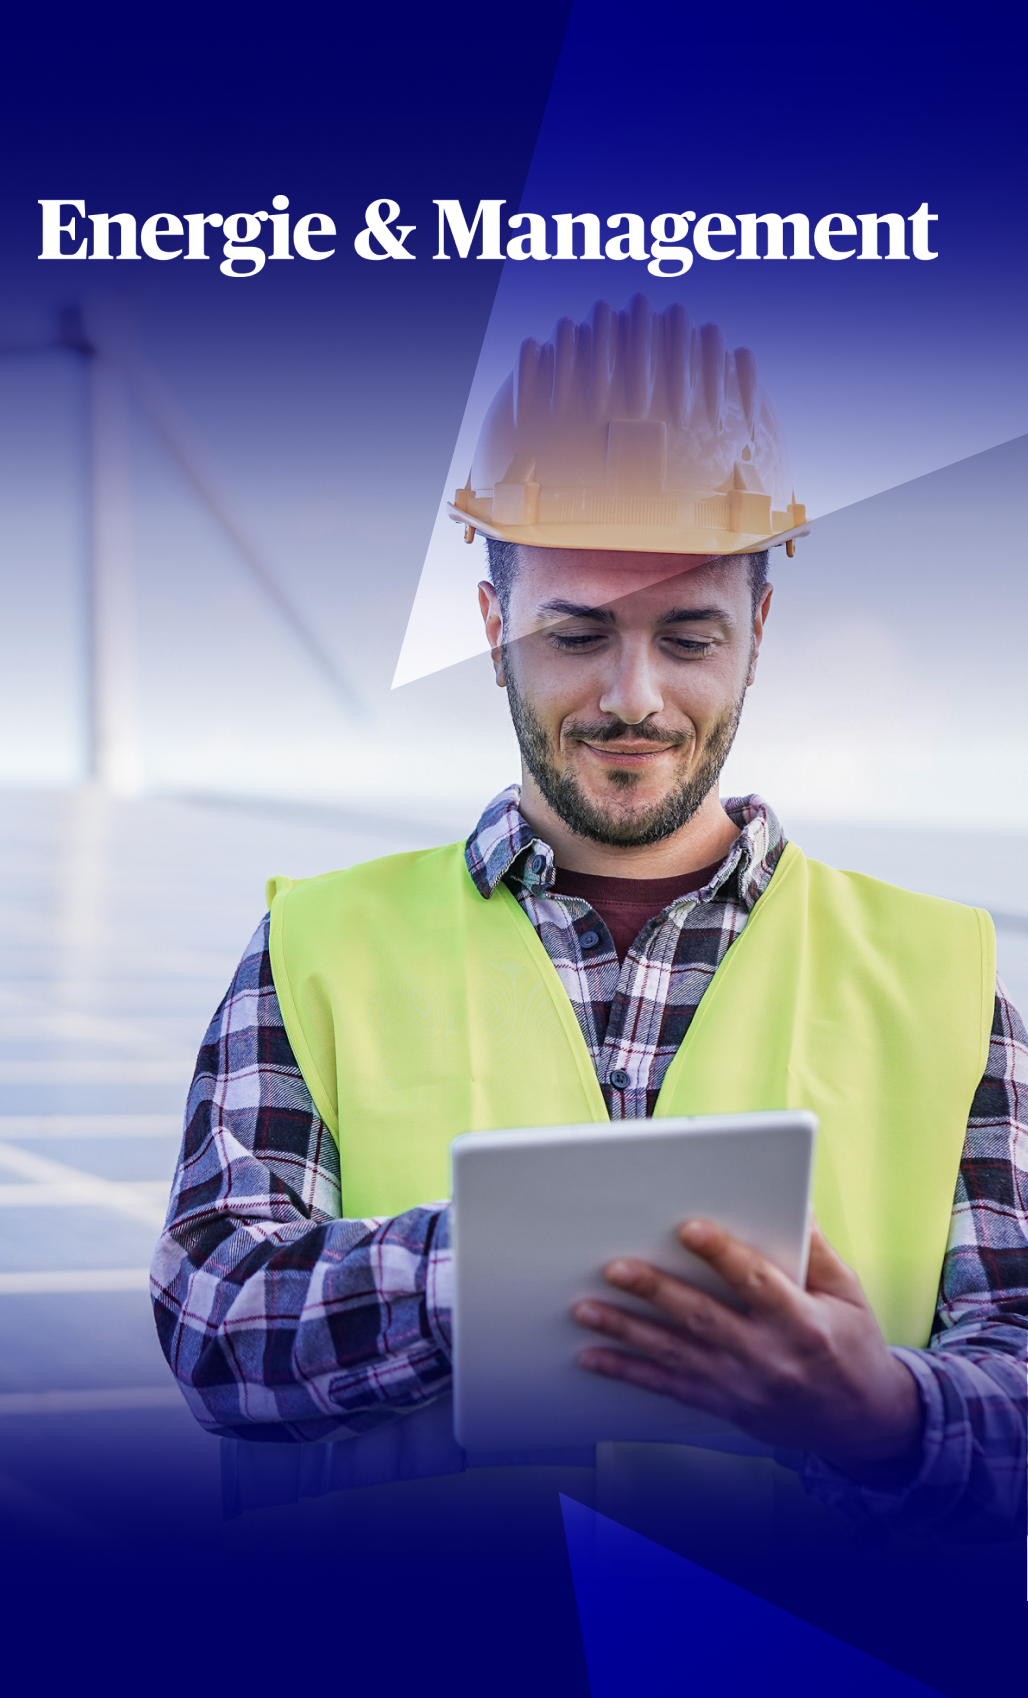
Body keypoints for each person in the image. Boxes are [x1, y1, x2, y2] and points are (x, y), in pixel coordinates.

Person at [151, 296, 1026, 1538]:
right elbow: (213, 1321)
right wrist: (505, 1266)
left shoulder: (948, 977)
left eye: (689, 635)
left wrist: (883, 1409)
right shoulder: (316, 947)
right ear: (494, 627)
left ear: (759, 630)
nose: (635, 698)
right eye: (577, 635)